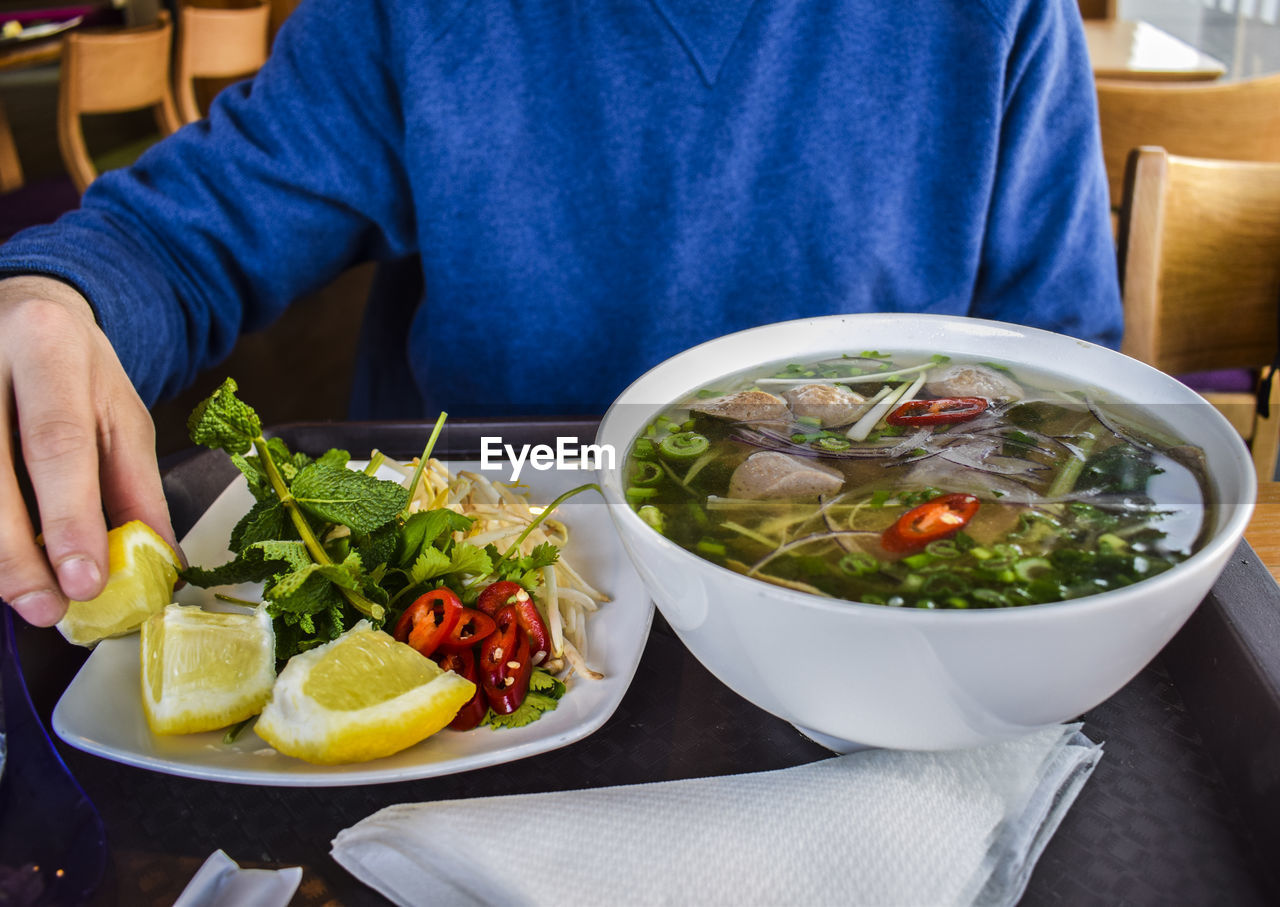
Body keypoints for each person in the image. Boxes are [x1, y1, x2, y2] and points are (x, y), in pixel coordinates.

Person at [0, 0, 1120, 629]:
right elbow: (176, 237)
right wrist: (56, 297)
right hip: (478, 596)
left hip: (864, 619)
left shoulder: (1002, 17)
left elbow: (1067, 385)